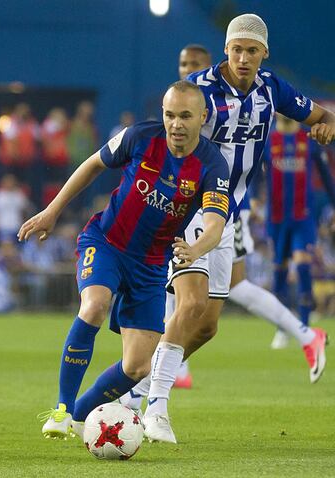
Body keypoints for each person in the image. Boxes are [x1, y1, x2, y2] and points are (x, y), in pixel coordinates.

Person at [121, 14, 334, 444]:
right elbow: (171, 135)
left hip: (228, 212)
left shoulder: (272, 90)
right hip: (190, 204)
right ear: (226, 49)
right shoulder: (201, 90)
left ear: (263, 54)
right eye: (236, 49)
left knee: (206, 325)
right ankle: (156, 407)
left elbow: (319, 113)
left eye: (251, 50)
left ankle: (135, 393)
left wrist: (326, 125)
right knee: (191, 302)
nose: (242, 57)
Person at [18, 80, 231, 439]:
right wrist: (52, 212)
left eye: (185, 116)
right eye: (169, 115)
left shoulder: (213, 166)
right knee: (95, 305)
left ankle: (78, 417)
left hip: (150, 266)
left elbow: (215, 223)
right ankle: (61, 410)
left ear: (202, 117)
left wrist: (195, 251)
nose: (176, 124)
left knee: (137, 366)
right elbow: (92, 165)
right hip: (106, 243)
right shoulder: (140, 137)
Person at [257, 114, 335, 348]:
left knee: (302, 265)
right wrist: (251, 200)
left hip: (303, 218)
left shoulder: (308, 140)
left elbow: (326, 177)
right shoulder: (268, 141)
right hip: (277, 219)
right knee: (279, 270)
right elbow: (252, 176)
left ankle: (303, 325)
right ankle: (282, 327)